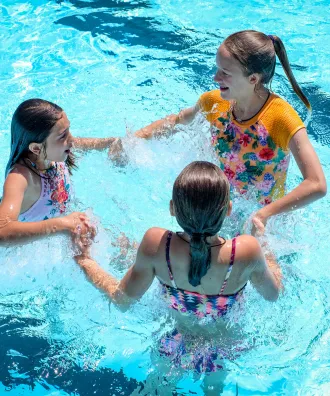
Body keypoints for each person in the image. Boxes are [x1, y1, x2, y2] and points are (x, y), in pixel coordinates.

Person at [74, 161, 282, 394]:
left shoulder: (158, 245)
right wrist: (265, 245)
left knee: (156, 388)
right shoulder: (245, 251)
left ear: (172, 208)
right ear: (229, 209)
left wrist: (85, 261)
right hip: (224, 347)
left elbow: (121, 299)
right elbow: (273, 294)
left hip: (173, 342)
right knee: (215, 389)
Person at [131, 30, 326, 234]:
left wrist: (264, 214)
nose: (216, 77)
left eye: (225, 73)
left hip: (265, 220)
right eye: (217, 69)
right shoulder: (214, 102)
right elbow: (177, 121)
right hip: (218, 212)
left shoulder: (281, 118)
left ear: (253, 79)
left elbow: (317, 183)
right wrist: (132, 141)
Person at [0, 98, 115, 244]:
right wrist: (63, 225)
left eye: (68, 131)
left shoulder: (55, 151)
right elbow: (2, 231)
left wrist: (114, 143)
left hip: (66, 230)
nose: (72, 140)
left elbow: (89, 144)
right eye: (63, 136)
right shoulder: (20, 178)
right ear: (36, 148)